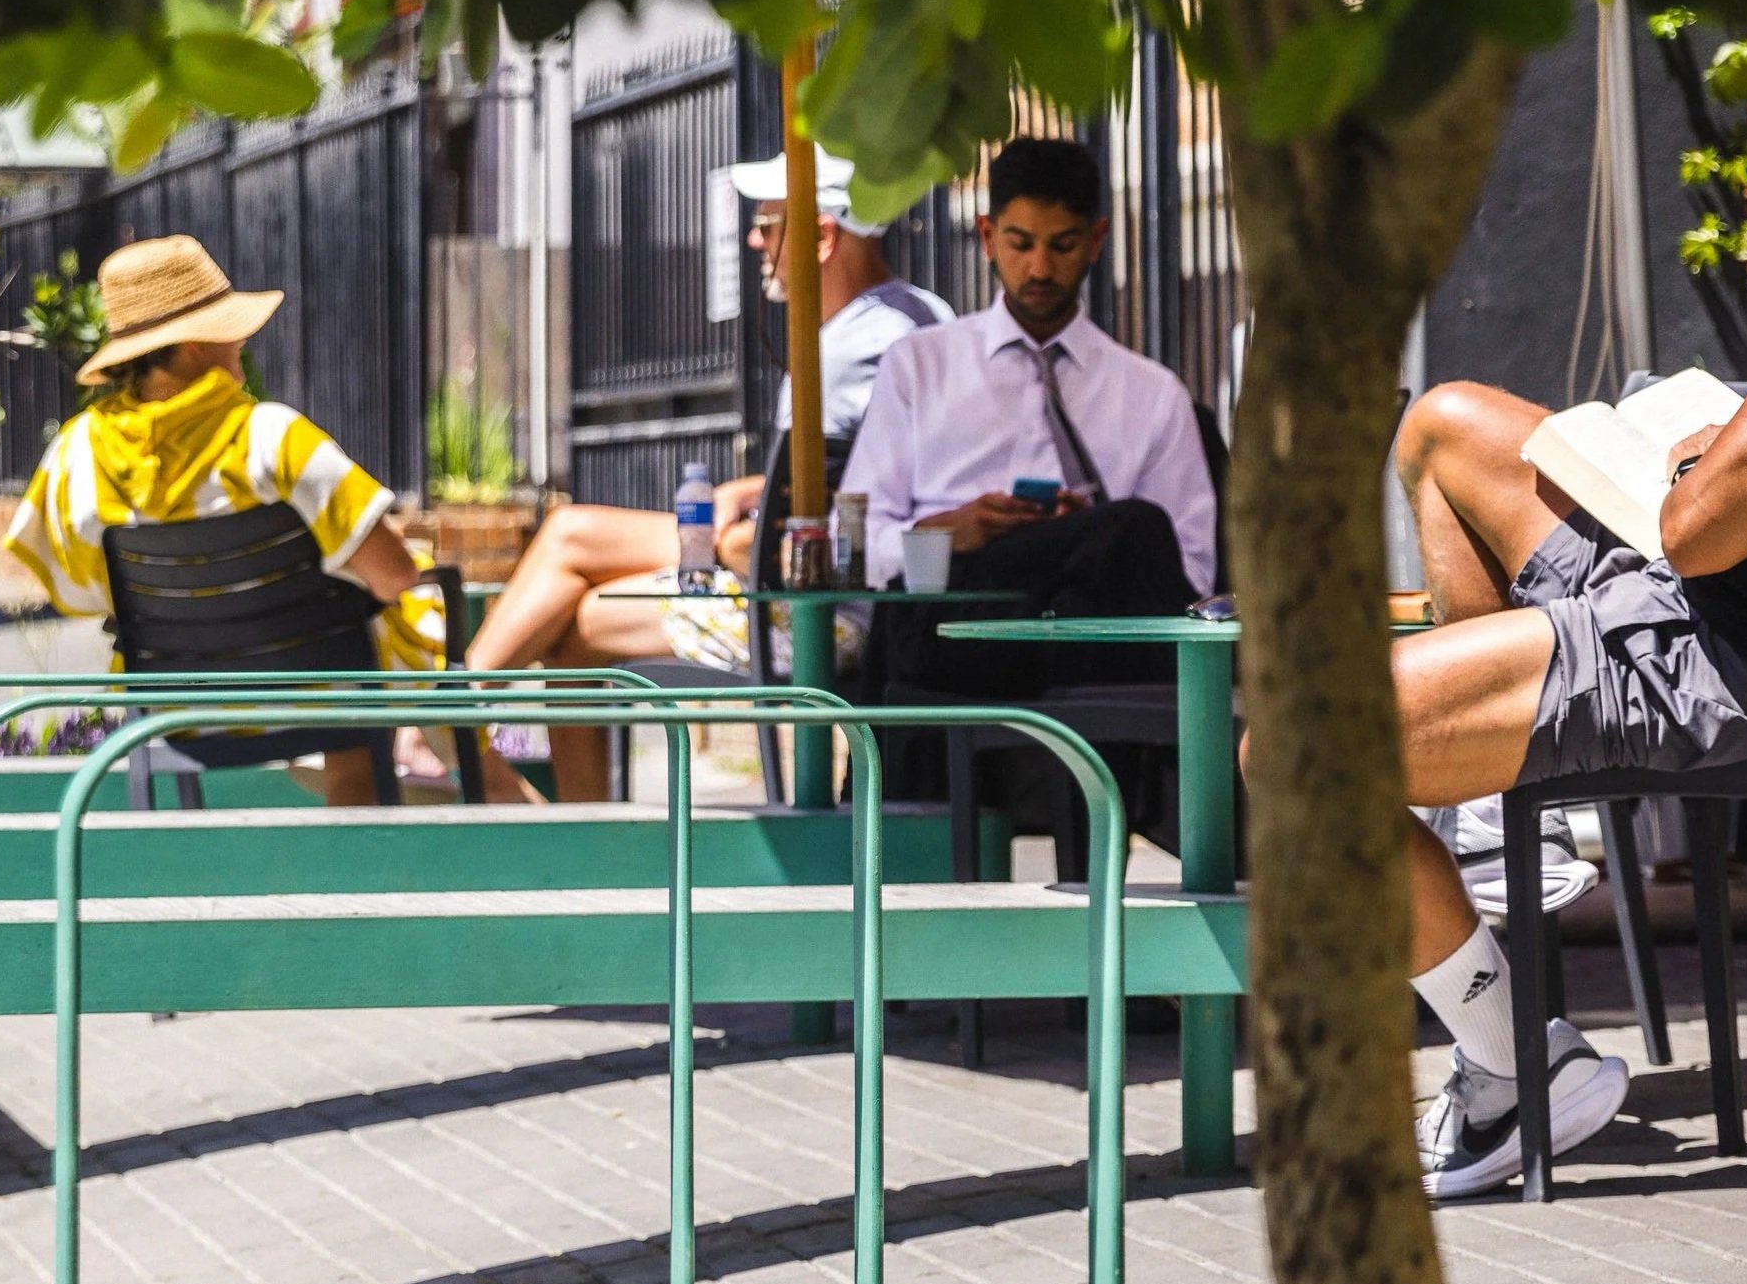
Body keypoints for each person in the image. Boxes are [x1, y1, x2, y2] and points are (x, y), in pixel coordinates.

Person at [1388, 223, 1747, 1198]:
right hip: (1734, 593)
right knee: (1442, 426)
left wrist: (1705, 460)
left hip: (1720, 648)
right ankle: (1483, 822)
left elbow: (1695, 536)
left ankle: (1509, 1070)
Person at [464, 150, 949, 794]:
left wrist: (731, 540)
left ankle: (446, 716)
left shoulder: (843, 351)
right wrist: (747, 491)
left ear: (822, 238)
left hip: (824, 610)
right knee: (576, 596)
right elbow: (854, 472)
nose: (755, 239)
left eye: (769, 225)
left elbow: (817, 522)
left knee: (574, 555)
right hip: (856, 591)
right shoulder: (922, 317)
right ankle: (547, 794)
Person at [2, 235, 448, 805]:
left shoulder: (75, 457)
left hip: (180, 705)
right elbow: (396, 576)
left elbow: (77, 594)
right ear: (193, 347)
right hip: (320, 692)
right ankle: (450, 792)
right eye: (230, 328)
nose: (243, 341)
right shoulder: (272, 437)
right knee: (378, 631)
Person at [841, 135, 1216, 701]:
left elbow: (1191, 572)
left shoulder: (1154, 394)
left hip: (1086, 631)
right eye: (1021, 243)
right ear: (988, 237)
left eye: (1062, 245)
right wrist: (945, 534)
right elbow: (857, 544)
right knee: (1127, 527)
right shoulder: (919, 365)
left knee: (1125, 537)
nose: (1040, 267)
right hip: (953, 615)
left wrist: (1080, 532)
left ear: (1096, 240)